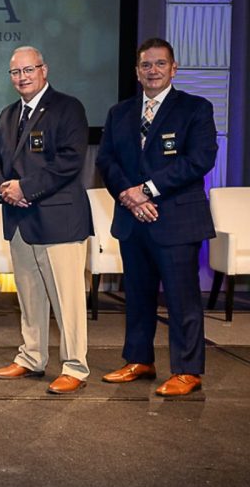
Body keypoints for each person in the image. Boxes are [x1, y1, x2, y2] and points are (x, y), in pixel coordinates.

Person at [96, 37, 217, 397]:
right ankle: (139, 360)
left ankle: (187, 370)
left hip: (176, 221)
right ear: (136, 71)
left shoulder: (196, 108)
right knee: (137, 295)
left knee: (182, 299)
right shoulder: (120, 113)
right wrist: (129, 197)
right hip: (133, 220)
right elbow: (106, 161)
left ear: (173, 68)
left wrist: (146, 190)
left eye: (160, 64)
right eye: (146, 65)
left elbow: (200, 160)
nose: (153, 71)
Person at [0, 45, 93, 394]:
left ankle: (75, 367)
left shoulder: (68, 108)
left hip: (58, 222)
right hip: (20, 222)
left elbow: (68, 162)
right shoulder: (6, 115)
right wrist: (3, 188)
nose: (22, 77)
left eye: (28, 70)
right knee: (30, 297)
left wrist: (25, 189)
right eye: (16, 72)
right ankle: (31, 357)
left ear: (44, 70)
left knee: (68, 299)